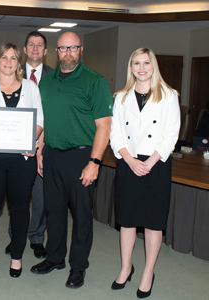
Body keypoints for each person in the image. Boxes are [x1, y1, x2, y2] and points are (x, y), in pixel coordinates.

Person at [30, 32, 112, 289]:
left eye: (72, 48)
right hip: (52, 155)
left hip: (81, 157)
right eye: (63, 48)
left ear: (80, 49)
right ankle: (55, 258)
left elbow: (104, 127)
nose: (68, 53)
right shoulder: (45, 82)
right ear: (56, 51)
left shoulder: (95, 81)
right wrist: (40, 152)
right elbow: (44, 122)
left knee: (81, 215)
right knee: (53, 211)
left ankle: (78, 266)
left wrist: (94, 163)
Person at [110, 48, 180, 298]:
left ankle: (148, 272)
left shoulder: (169, 95)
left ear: (154, 66)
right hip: (128, 162)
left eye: (146, 63)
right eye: (136, 63)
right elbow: (115, 133)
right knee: (127, 221)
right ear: (130, 68)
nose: (141, 68)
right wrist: (129, 160)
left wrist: (149, 162)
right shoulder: (121, 96)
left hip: (156, 163)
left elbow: (171, 135)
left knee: (153, 223)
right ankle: (126, 267)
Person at [0, 42, 44, 278]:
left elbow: (39, 120)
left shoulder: (31, 88)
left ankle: (17, 257)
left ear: (18, 62)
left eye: (13, 58)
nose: (9, 62)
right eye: (4, 57)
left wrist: (27, 139)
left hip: (22, 159)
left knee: (20, 209)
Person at [5, 31, 54, 259]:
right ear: (24, 50)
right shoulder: (12, 71)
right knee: (17, 196)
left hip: (46, 145)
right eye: (31, 45)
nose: (35, 49)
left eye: (40, 45)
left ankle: (36, 237)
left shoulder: (55, 77)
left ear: (45, 51)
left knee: (41, 197)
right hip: (15, 146)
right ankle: (15, 237)